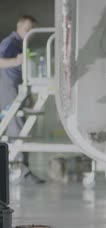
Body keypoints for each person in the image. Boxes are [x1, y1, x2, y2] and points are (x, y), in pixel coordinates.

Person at [0, 15, 44, 184]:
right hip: (8, 89)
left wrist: (29, 95)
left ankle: (21, 169)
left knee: (20, 129)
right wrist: (15, 61)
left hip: (17, 88)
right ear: (20, 28)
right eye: (28, 30)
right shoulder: (10, 42)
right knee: (16, 130)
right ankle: (22, 172)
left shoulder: (21, 44)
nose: (30, 34)